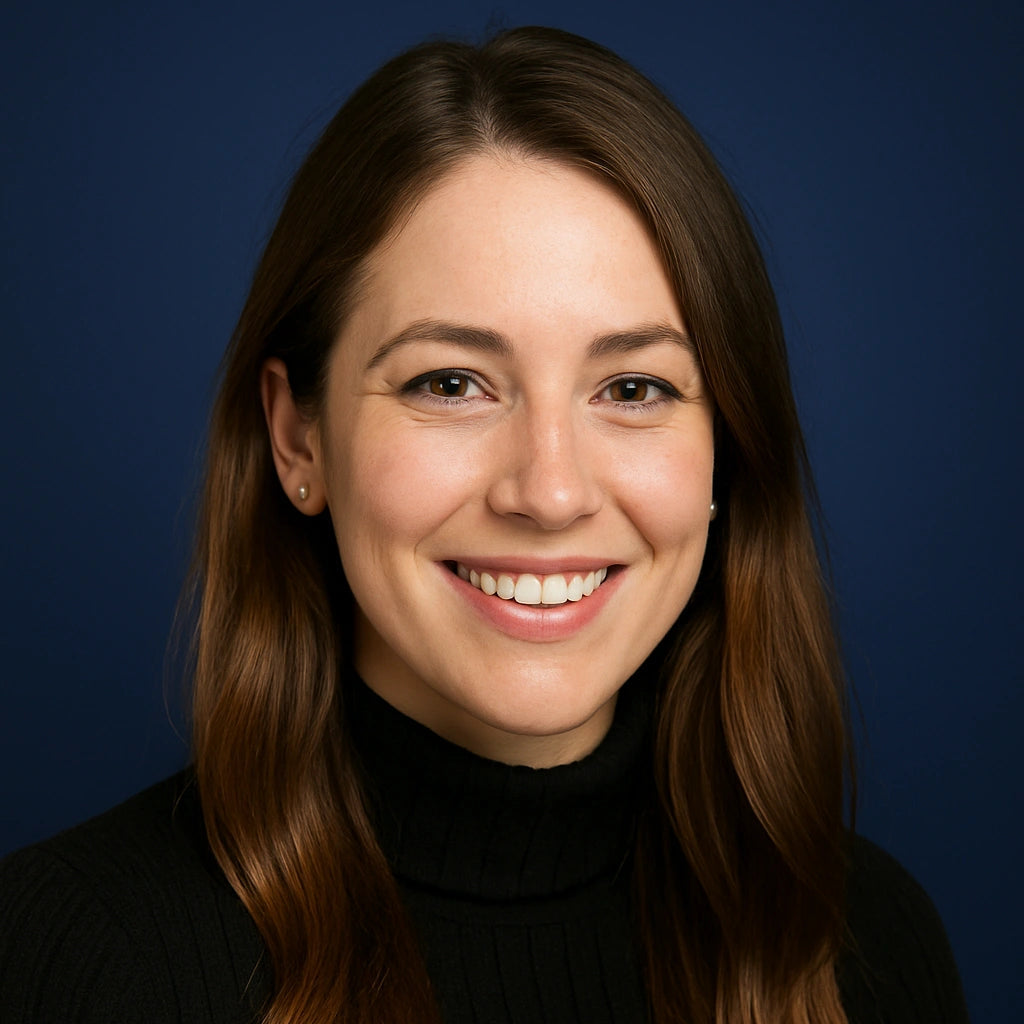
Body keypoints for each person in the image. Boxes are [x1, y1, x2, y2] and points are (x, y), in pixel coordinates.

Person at [0, 25, 968, 1024]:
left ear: (726, 446)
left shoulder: (870, 946)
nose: (549, 492)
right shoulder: (76, 960)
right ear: (298, 439)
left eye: (633, 388)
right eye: (451, 383)